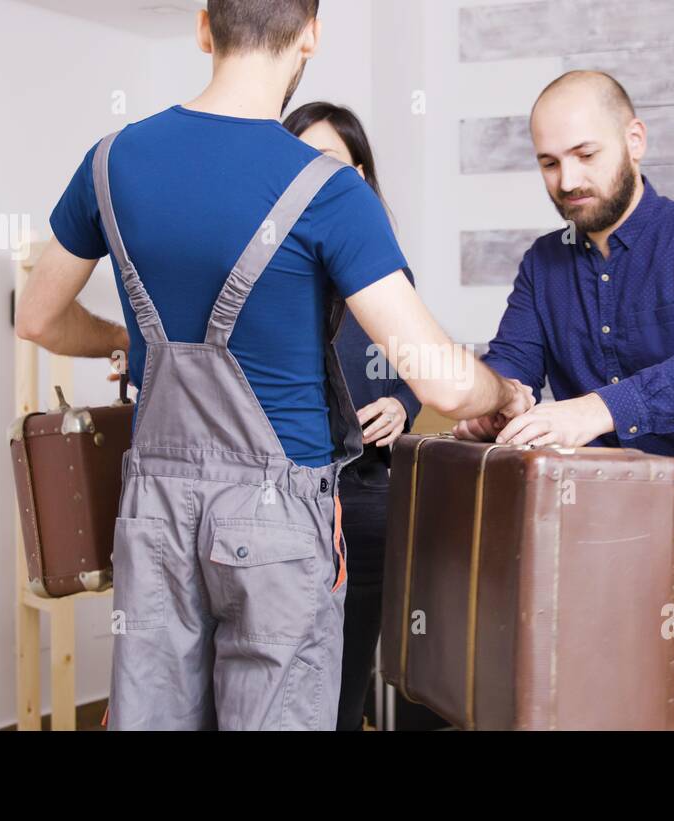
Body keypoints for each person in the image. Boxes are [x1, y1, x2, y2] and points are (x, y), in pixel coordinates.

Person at [16, 0, 531, 731]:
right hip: (277, 520)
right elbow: (440, 378)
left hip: (154, 511)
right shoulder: (329, 189)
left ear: (204, 27)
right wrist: (502, 390)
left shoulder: (108, 162)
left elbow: (37, 317)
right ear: (311, 35)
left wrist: (131, 342)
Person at [455, 70, 674, 730]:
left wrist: (594, 409)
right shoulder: (541, 264)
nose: (567, 179)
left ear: (634, 140)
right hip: (598, 565)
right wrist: (493, 400)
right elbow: (512, 364)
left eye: (586, 154)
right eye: (548, 163)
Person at [284, 101, 419, 732]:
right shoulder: (267, 277)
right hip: (280, 504)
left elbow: (414, 373)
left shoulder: (385, 272)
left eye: (330, 165)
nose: (313, 181)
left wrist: (402, 405)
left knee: (345, 678)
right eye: (299, 163)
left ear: (361, 177)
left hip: (364, 497)